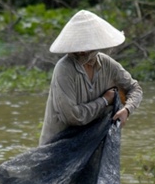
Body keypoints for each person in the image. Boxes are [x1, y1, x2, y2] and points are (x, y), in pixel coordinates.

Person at [39, 9, 143, 145]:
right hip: (57, 146)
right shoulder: (64, 69)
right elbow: (73, 116)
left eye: (85, 47)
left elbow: (135, 88)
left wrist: (127, 110)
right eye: (78, 47)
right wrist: (105, 100)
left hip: (91, 144)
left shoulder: (107, 64)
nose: (81, 51)